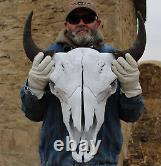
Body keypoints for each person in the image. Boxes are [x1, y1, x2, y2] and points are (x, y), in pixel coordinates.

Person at [20, 0, 144, 165]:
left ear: (97, 23)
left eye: (88, 18)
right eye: (74, 19)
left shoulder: (116, 62)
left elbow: (132, 115)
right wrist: (33, 88)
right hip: (56, 162)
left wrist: (131, 90)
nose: (81, 23)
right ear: (66, 24)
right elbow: (32, 114)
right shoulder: (46, 61)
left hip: (103, 162)